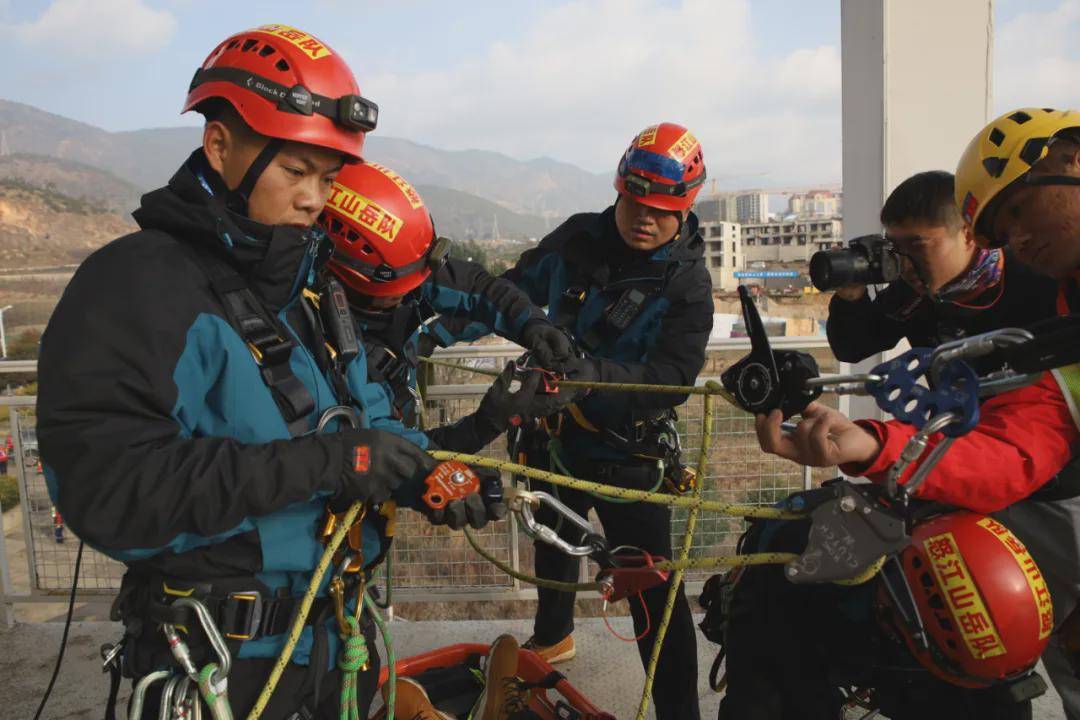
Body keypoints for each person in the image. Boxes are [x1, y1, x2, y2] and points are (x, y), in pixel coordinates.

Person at [36, 25, 511, 719]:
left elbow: (363, 423)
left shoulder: (313, 288)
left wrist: (423, 473)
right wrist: (330, 462)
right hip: (225, 670)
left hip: (339, 652)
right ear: (221, 145)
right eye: (295, 172)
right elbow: (110, 490)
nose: (314, 199)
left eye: (327, 178)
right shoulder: (137, 287)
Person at [754, 107, 1080, 720]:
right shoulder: (935, 295)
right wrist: (874, 444)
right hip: (977, 477)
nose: (1014, 237)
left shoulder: (1041, 293)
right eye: (1001, 224)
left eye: (1016, 212)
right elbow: (1022, 438)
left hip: (1057, 497)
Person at [439, 122, 714, 720]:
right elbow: (507, 290)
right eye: (634, 201)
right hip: (547, 432)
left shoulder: (686, 282)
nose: (643, 218)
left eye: (660, 210)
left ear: (685, 206)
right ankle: (554, 632)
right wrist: (430, 328)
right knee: (552, 540)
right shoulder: (578, 238)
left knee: (650, 589)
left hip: (627, 450)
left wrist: (584, 375)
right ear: (619, 189)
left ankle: (678, 712)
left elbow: (672, 379)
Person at [315, 160, 574, 450]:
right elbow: (392, 454)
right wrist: (485, 424)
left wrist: (532, 325)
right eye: (400, 289)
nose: (415, 289)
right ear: (350, 282)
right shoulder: (329, 352)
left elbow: (478, 287)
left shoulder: (402, 266)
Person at [827, 170, 1059, 372]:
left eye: (917, 247)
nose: (904, 264)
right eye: (895, 247)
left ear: (969, 235)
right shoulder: (911, 295)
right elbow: (852, 348)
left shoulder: (1040, 279)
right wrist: (851, 297)